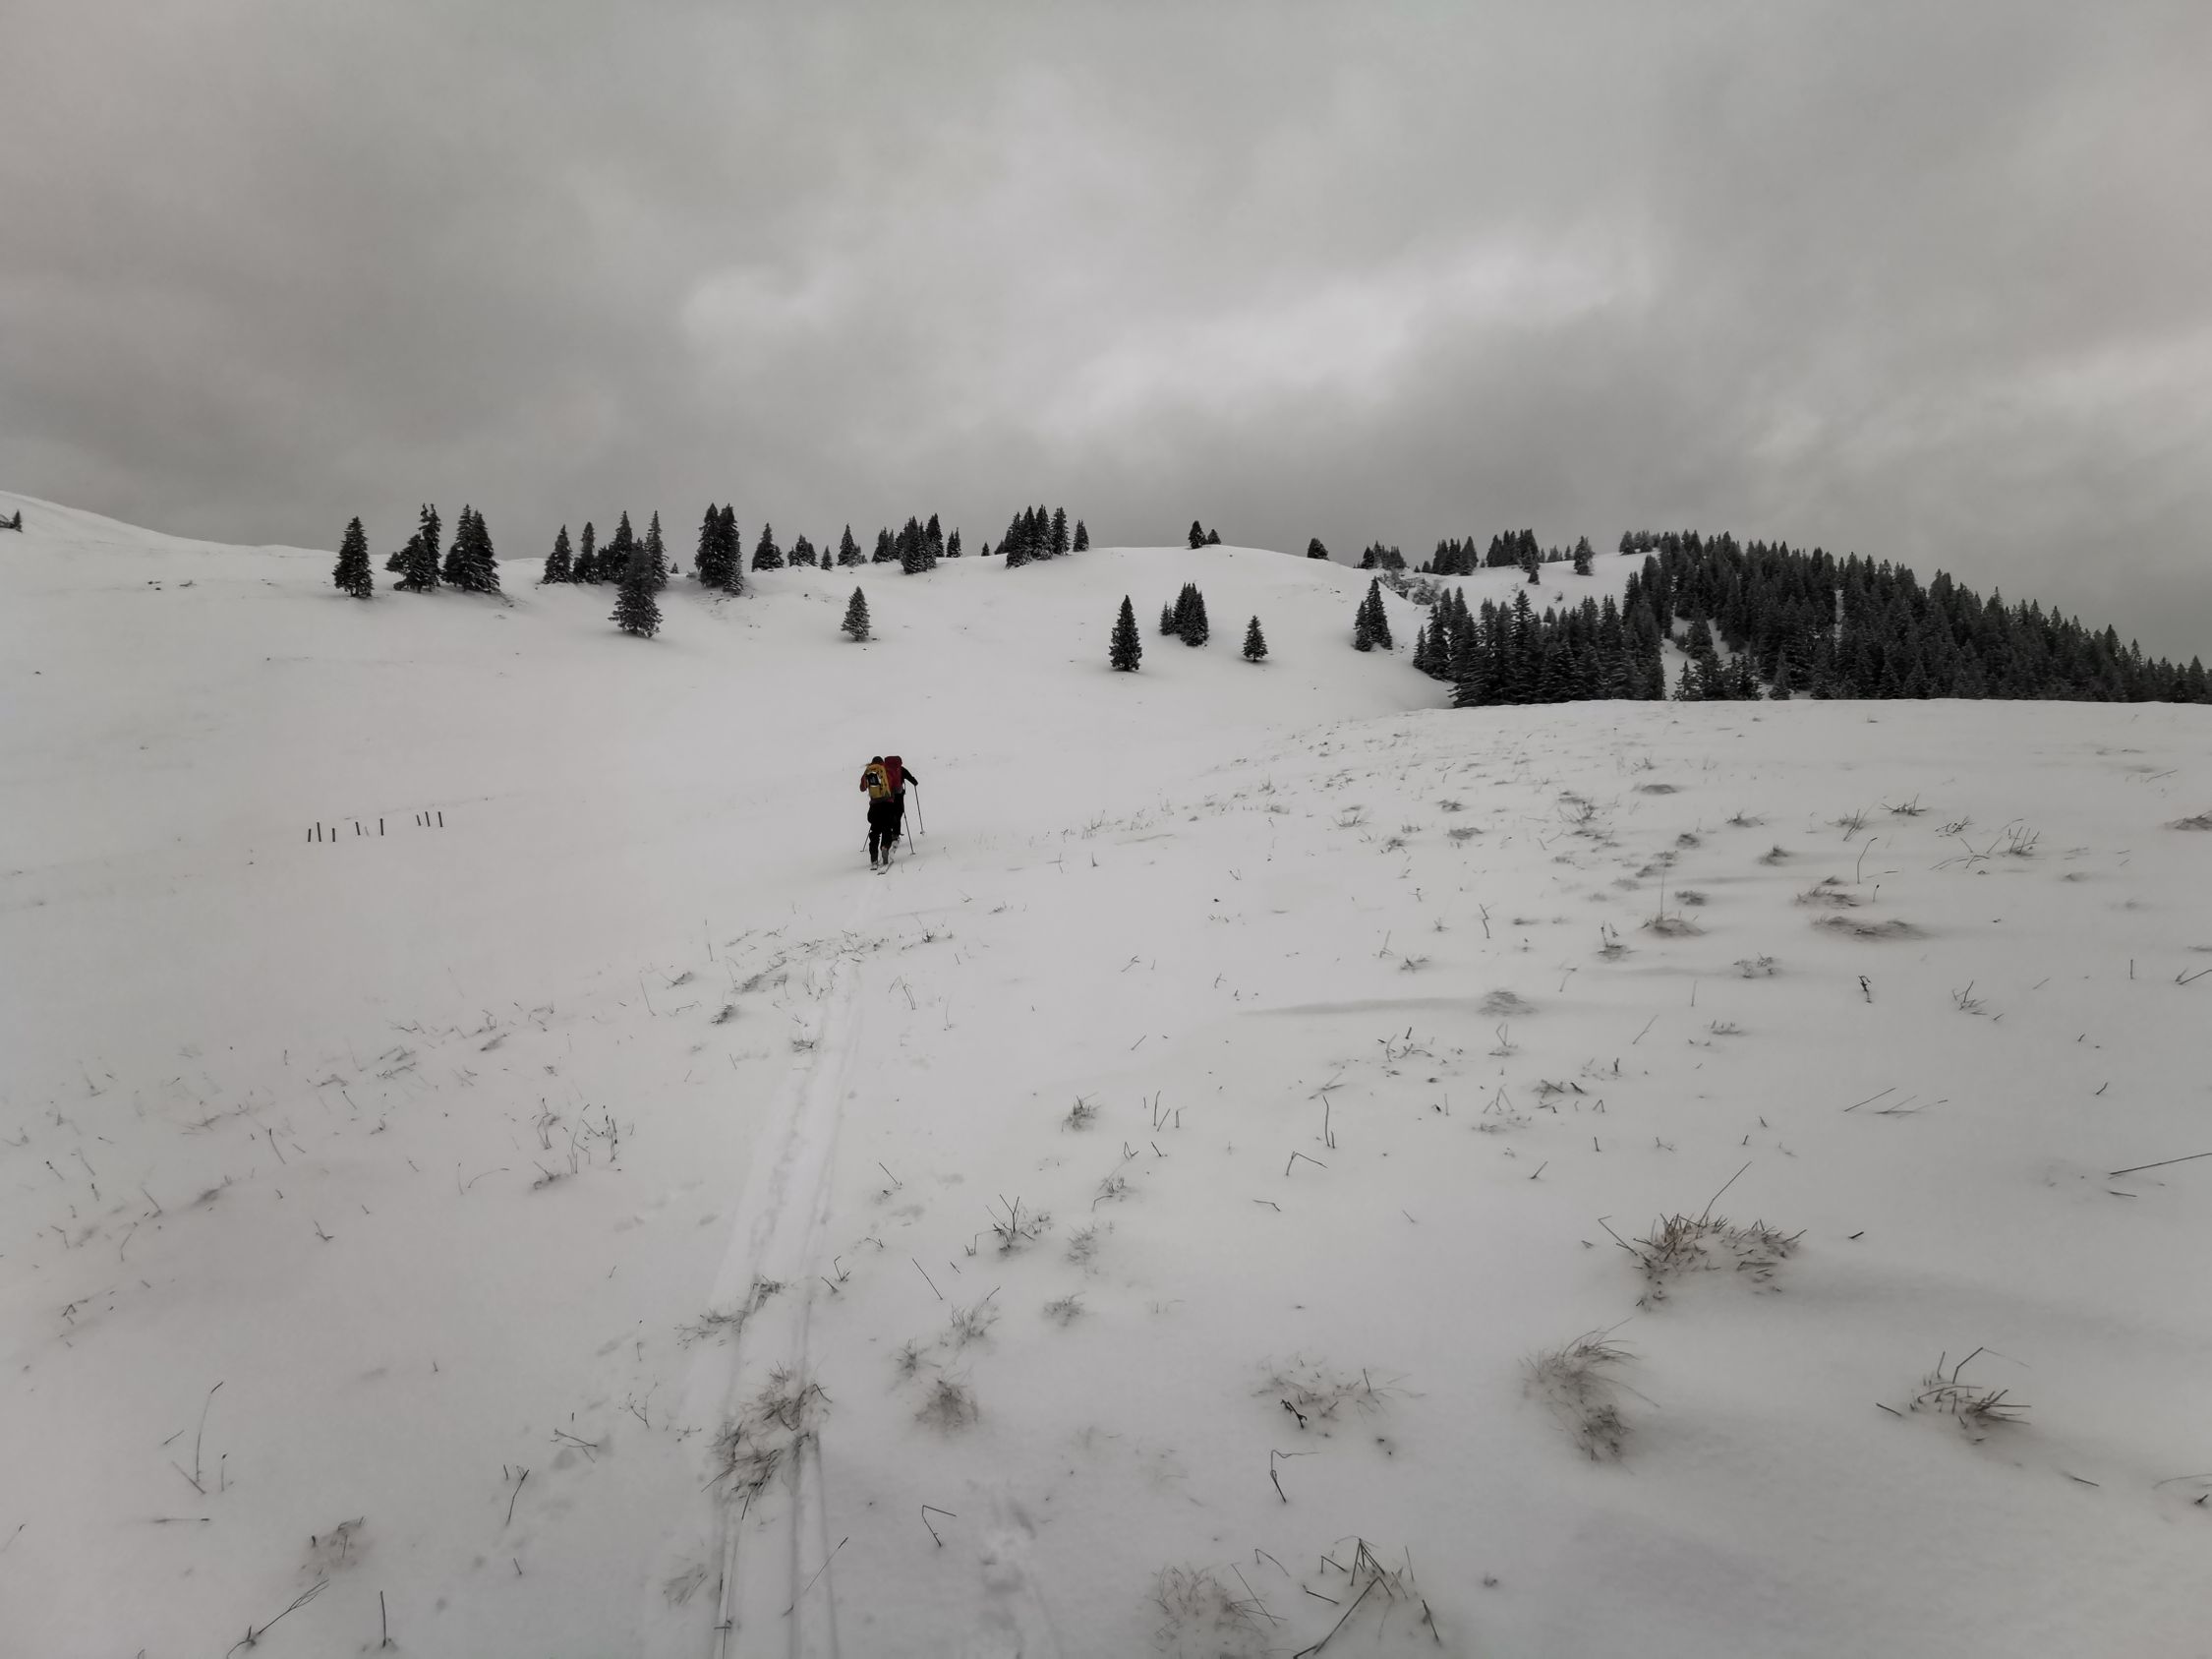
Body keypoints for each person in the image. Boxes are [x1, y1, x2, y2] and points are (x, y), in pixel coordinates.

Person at [859, 754, 921, 867]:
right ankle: (885, 847)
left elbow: (862, 788)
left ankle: (874, 857)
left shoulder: (868, 772)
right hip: (887, 805)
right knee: (887, 829)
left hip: (874, 806)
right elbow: (897, 789)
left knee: (875, 831)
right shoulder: (887, 771)